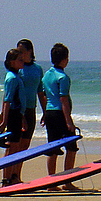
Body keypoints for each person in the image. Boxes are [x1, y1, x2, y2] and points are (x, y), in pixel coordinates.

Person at [40, 42, 80, 191]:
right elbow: (63, 100)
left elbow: (45, 96)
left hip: (50, 113)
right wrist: (69, 121)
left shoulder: (46, 75)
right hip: (59, 114)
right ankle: (67, 181)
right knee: (71, 147)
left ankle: (52, 182)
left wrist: (44, 113)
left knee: (52, 147)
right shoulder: (63, 77)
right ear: (64, 60)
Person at [13, 39, 46, 184]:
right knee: (15, 145)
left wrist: (45, 111)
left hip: (31, 110)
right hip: (19, 110)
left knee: (24, 146)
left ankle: (17, 176)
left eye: (22, 51)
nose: (19, 54)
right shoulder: (17, 68)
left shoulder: (37, 69)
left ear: (30, 52)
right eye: (18, 51)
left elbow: (40, 92)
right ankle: (10, 175)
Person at [0, 48, 27, 186]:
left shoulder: (17, 76)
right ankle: (6, 179)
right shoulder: (11, 78)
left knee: (15, 148)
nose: (23, 62)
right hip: (13, 115)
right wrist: (4, 121)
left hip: (18, 115)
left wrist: (23, 119)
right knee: (11, 148)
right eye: (20, 60)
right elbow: (7, 100)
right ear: (12, 62)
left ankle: (11, 178)